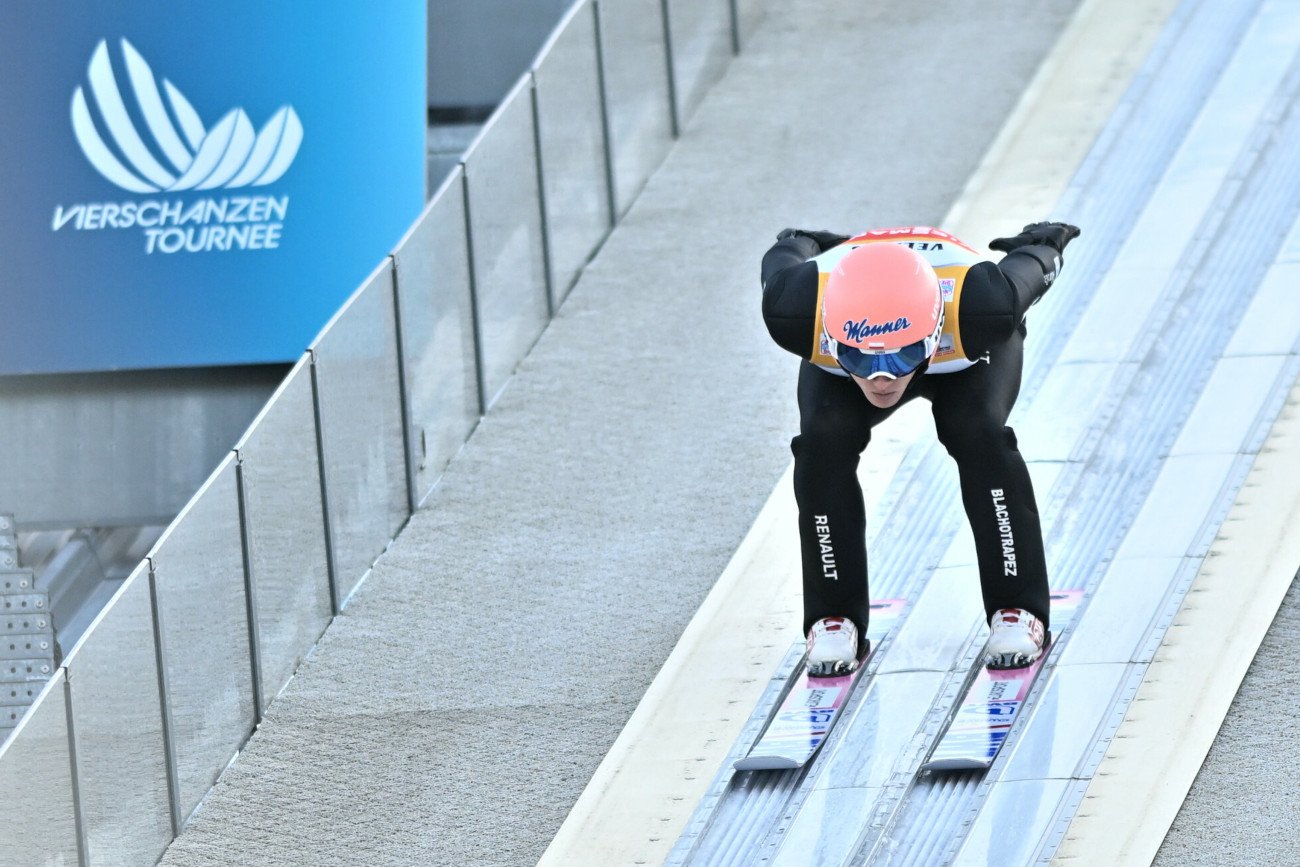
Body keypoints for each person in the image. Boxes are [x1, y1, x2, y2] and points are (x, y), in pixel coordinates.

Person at [760, 221, 1081, 675]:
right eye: (861, 357)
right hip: (876, 326)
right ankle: (833, 615)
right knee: (820, 443)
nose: (881, 378)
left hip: (962, 348)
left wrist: (1042, 242)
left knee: (977, 430)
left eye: (900, 355)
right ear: (829, 333)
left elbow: (1035, 259)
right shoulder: (794, 307)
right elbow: (784, 254)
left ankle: (1017, 606)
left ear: (932, 333)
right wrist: (803, 240)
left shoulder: (984, 304)